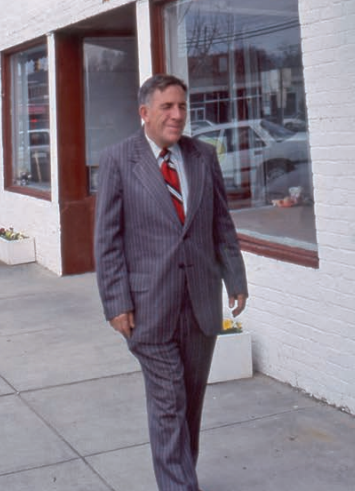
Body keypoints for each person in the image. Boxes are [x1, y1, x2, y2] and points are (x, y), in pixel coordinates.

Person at [94, 73, 248, 491]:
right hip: (148, 308)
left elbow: (221, 222)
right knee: (168, 402)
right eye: (167, 107)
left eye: (182, 106)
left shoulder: (202, 156)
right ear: (144, 113)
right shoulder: (117, 161)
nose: (177, 115)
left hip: (200, 304)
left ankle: (181, 473)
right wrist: (116, 302)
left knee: (189, 404)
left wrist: (235, 278)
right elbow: (106, 241)